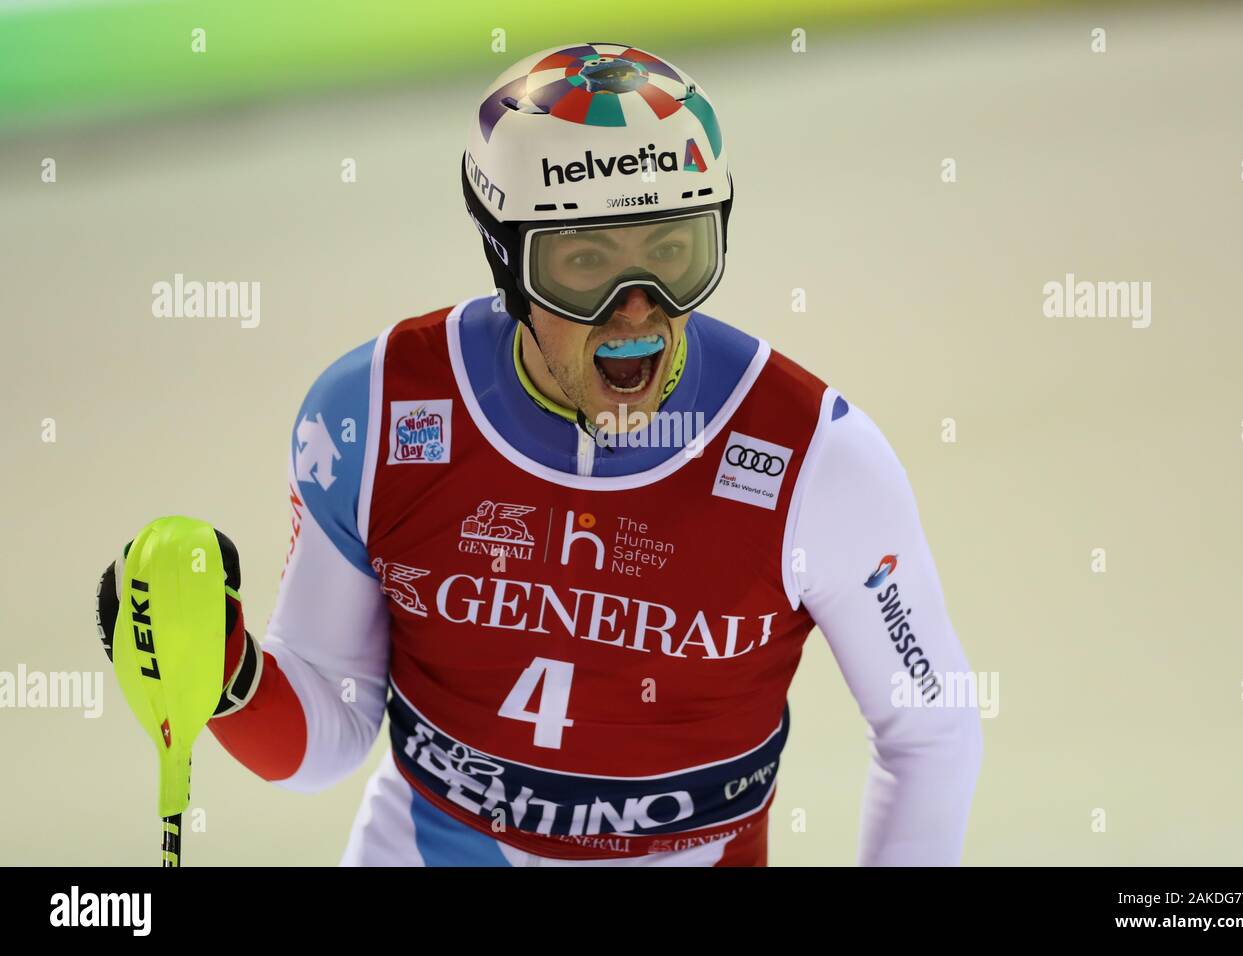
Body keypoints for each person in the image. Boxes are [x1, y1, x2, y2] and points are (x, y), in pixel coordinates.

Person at [96, 42, 982, 866]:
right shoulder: (374, 414)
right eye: (585, 263)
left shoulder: (817, 460)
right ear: (505, 259)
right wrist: (222, 671)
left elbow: (929, 729)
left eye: (676, 253)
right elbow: (324, 743)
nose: (638, 311)